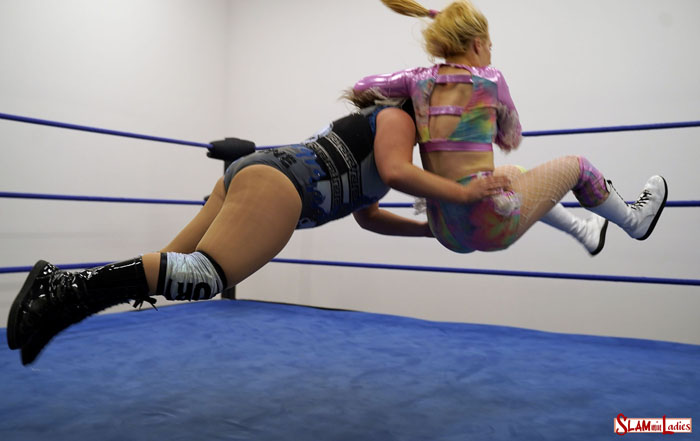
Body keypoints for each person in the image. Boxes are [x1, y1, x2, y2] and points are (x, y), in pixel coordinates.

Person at [7, 98, 526, 366]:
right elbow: (394, 172)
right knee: (202, 277)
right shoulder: (398, 118)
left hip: (259, 174)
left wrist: (429, 233)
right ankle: (59, 289)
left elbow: (367, 215)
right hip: (280, 186)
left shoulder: (388, 131)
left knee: (170, 271)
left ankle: (58, 304)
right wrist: (462, 195)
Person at [350, 0, 667, 255]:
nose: (490, 54)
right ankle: (634, 221)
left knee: (514, 174)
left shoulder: (415, 79)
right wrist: (485, 123)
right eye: (490, 46)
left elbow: (361, 87)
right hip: (486, 224)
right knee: (579, 167)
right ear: (477, 45)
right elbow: (510, 138)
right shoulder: (490, 79)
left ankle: (584, 231)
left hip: (445, 230)